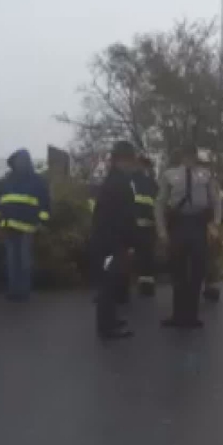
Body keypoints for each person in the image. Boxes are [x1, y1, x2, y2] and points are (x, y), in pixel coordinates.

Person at [155, 143, 222, 328]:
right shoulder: (170, 175)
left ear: (196, 156)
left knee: (197, 270)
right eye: (186, 156)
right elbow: (160, 203)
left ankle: (192, 315)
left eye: (192, 156)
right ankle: (177, 314)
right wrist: (162, 230)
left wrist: (215, 224)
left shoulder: (206, 175)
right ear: (181, 156)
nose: (189, 159)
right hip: (178, 224)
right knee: (177, 270)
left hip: (199, 225)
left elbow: (216, 201)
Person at [91, 140, 139, 339]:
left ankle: (111, 318)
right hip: (113, 241)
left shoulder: (114, 181)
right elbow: (123, 216)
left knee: (113, 281)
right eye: (130, 160)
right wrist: (128, 242)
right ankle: (107, 325)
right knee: (109, 283)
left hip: (110, 239)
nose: (133, 164)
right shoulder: (119, 184)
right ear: (122, 160)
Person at [0, 149, 51, 301]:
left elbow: (45, 203)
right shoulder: (6, 180)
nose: (19, 164)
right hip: (8, 225)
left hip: (27, 226)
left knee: (24, 260)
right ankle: (13, 290)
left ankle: (23, 291)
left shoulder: (37, 181)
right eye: (18, 161)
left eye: (22, 160)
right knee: (12, 260)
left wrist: (41, 221)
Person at [131, 154, 159, 297]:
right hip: (146, 223)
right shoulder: (150, 182)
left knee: (142, 255)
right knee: (146, 255)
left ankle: (144, 284)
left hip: (138, 223)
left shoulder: (133, 180)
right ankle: (146, 286)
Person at [198, 149, 223, 303]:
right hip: (201, 224)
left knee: (211, 256)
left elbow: (217, 204)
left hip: (207, 224)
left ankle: (211, 286)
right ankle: (209, 285)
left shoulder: (210, 182)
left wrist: (215, 224)